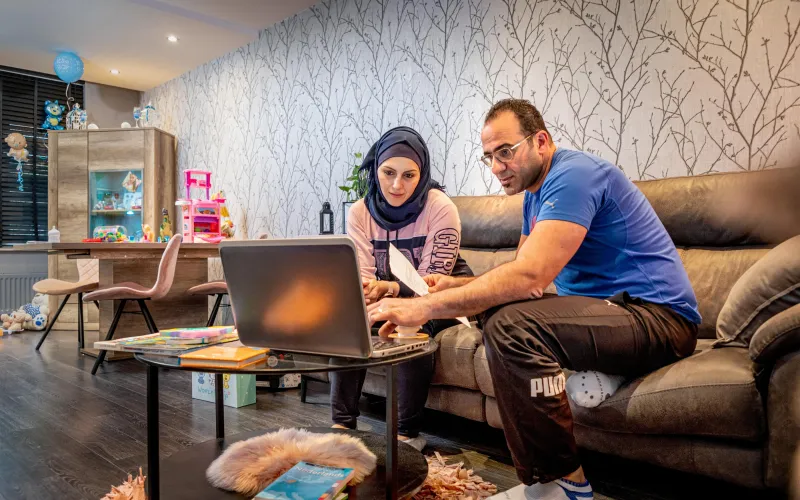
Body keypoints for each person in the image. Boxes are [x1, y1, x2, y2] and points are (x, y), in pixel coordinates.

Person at [368, 100, 700, 499]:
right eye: (489, 156)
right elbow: (519, 274)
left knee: (512, 325)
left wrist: (422, 307)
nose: (496, 166)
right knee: (499, 309)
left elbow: (531, 276)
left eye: (505, 151)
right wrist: (452, 287)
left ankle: (567, 485)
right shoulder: (534, 193)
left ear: (541, 141)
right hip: (613, 316)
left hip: (658, 318)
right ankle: (571, 441)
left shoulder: (575, 175)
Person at [332, 126, 470, 451]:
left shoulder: (440, 208)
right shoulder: (360, 212)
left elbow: (430, 290)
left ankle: (407, 436)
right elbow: (364, 280)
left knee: (410, 326)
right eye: (388, 173)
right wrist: (371, 297)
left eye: (409, 175)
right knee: (352, 324)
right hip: (387, 298)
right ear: (375, 170)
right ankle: (341, 429)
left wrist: (389, 290)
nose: (397, 185)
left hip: (442, 298)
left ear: (422, 174)